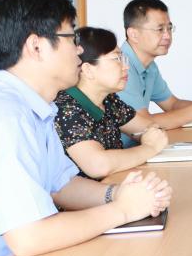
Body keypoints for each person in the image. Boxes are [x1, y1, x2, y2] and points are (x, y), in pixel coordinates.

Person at [0, 0, 172, 256]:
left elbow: (61, 185)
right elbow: (28, 238)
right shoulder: (5, 115)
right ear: (36, 47)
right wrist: (122, 210)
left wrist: (117, 194)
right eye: (71, 38)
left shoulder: (36, 107)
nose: (79, 50)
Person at [54, 27, 170, 179]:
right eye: (117, 59)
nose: (126, 66)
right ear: (87, 70)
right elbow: (98, 166)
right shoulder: (66, 108)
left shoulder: (109, 100)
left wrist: (152, 138)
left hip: (115, 184)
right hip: (92, 193)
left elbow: (152, 129)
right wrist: (149, 148)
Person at [118, 0, 192, 146]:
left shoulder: (149, 66)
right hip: (121, 154)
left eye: (169, 28)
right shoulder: (120, 67)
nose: (167, 36)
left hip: (139, 149)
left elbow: (172, 104)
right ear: (133, 34)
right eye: (160, 29)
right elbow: (144, 124)